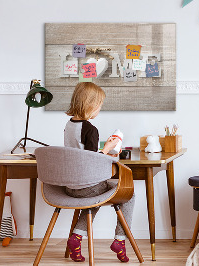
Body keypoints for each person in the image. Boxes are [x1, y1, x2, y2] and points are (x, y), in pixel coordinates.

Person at [64, 82, 134, 263]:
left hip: (70, 186)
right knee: (129, 194)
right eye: (99, 106)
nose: (99, 110)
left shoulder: (69, 125)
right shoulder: (90, 129)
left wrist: (103, 149)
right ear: (90, 105)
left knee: (94, 197)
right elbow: (92, 161)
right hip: (87, 186)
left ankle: (76, 238)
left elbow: (81, 154)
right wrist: (109, 148)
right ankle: (120, 240)